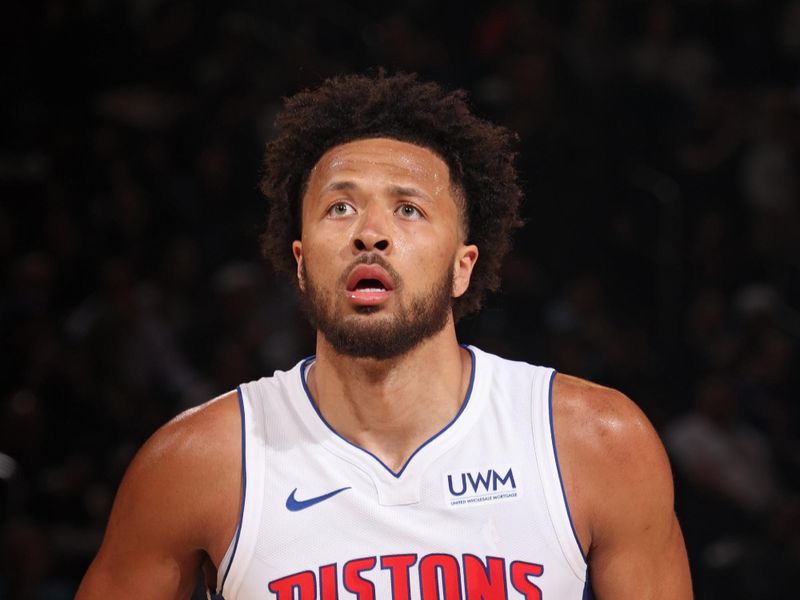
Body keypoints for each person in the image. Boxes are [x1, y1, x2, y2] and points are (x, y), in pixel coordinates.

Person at [76, 72, 692, 599]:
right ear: (298, 260)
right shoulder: (196, 464)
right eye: (339, 208)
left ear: (463, 265)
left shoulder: (597, 445)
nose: (370, 233)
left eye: (408, 209)